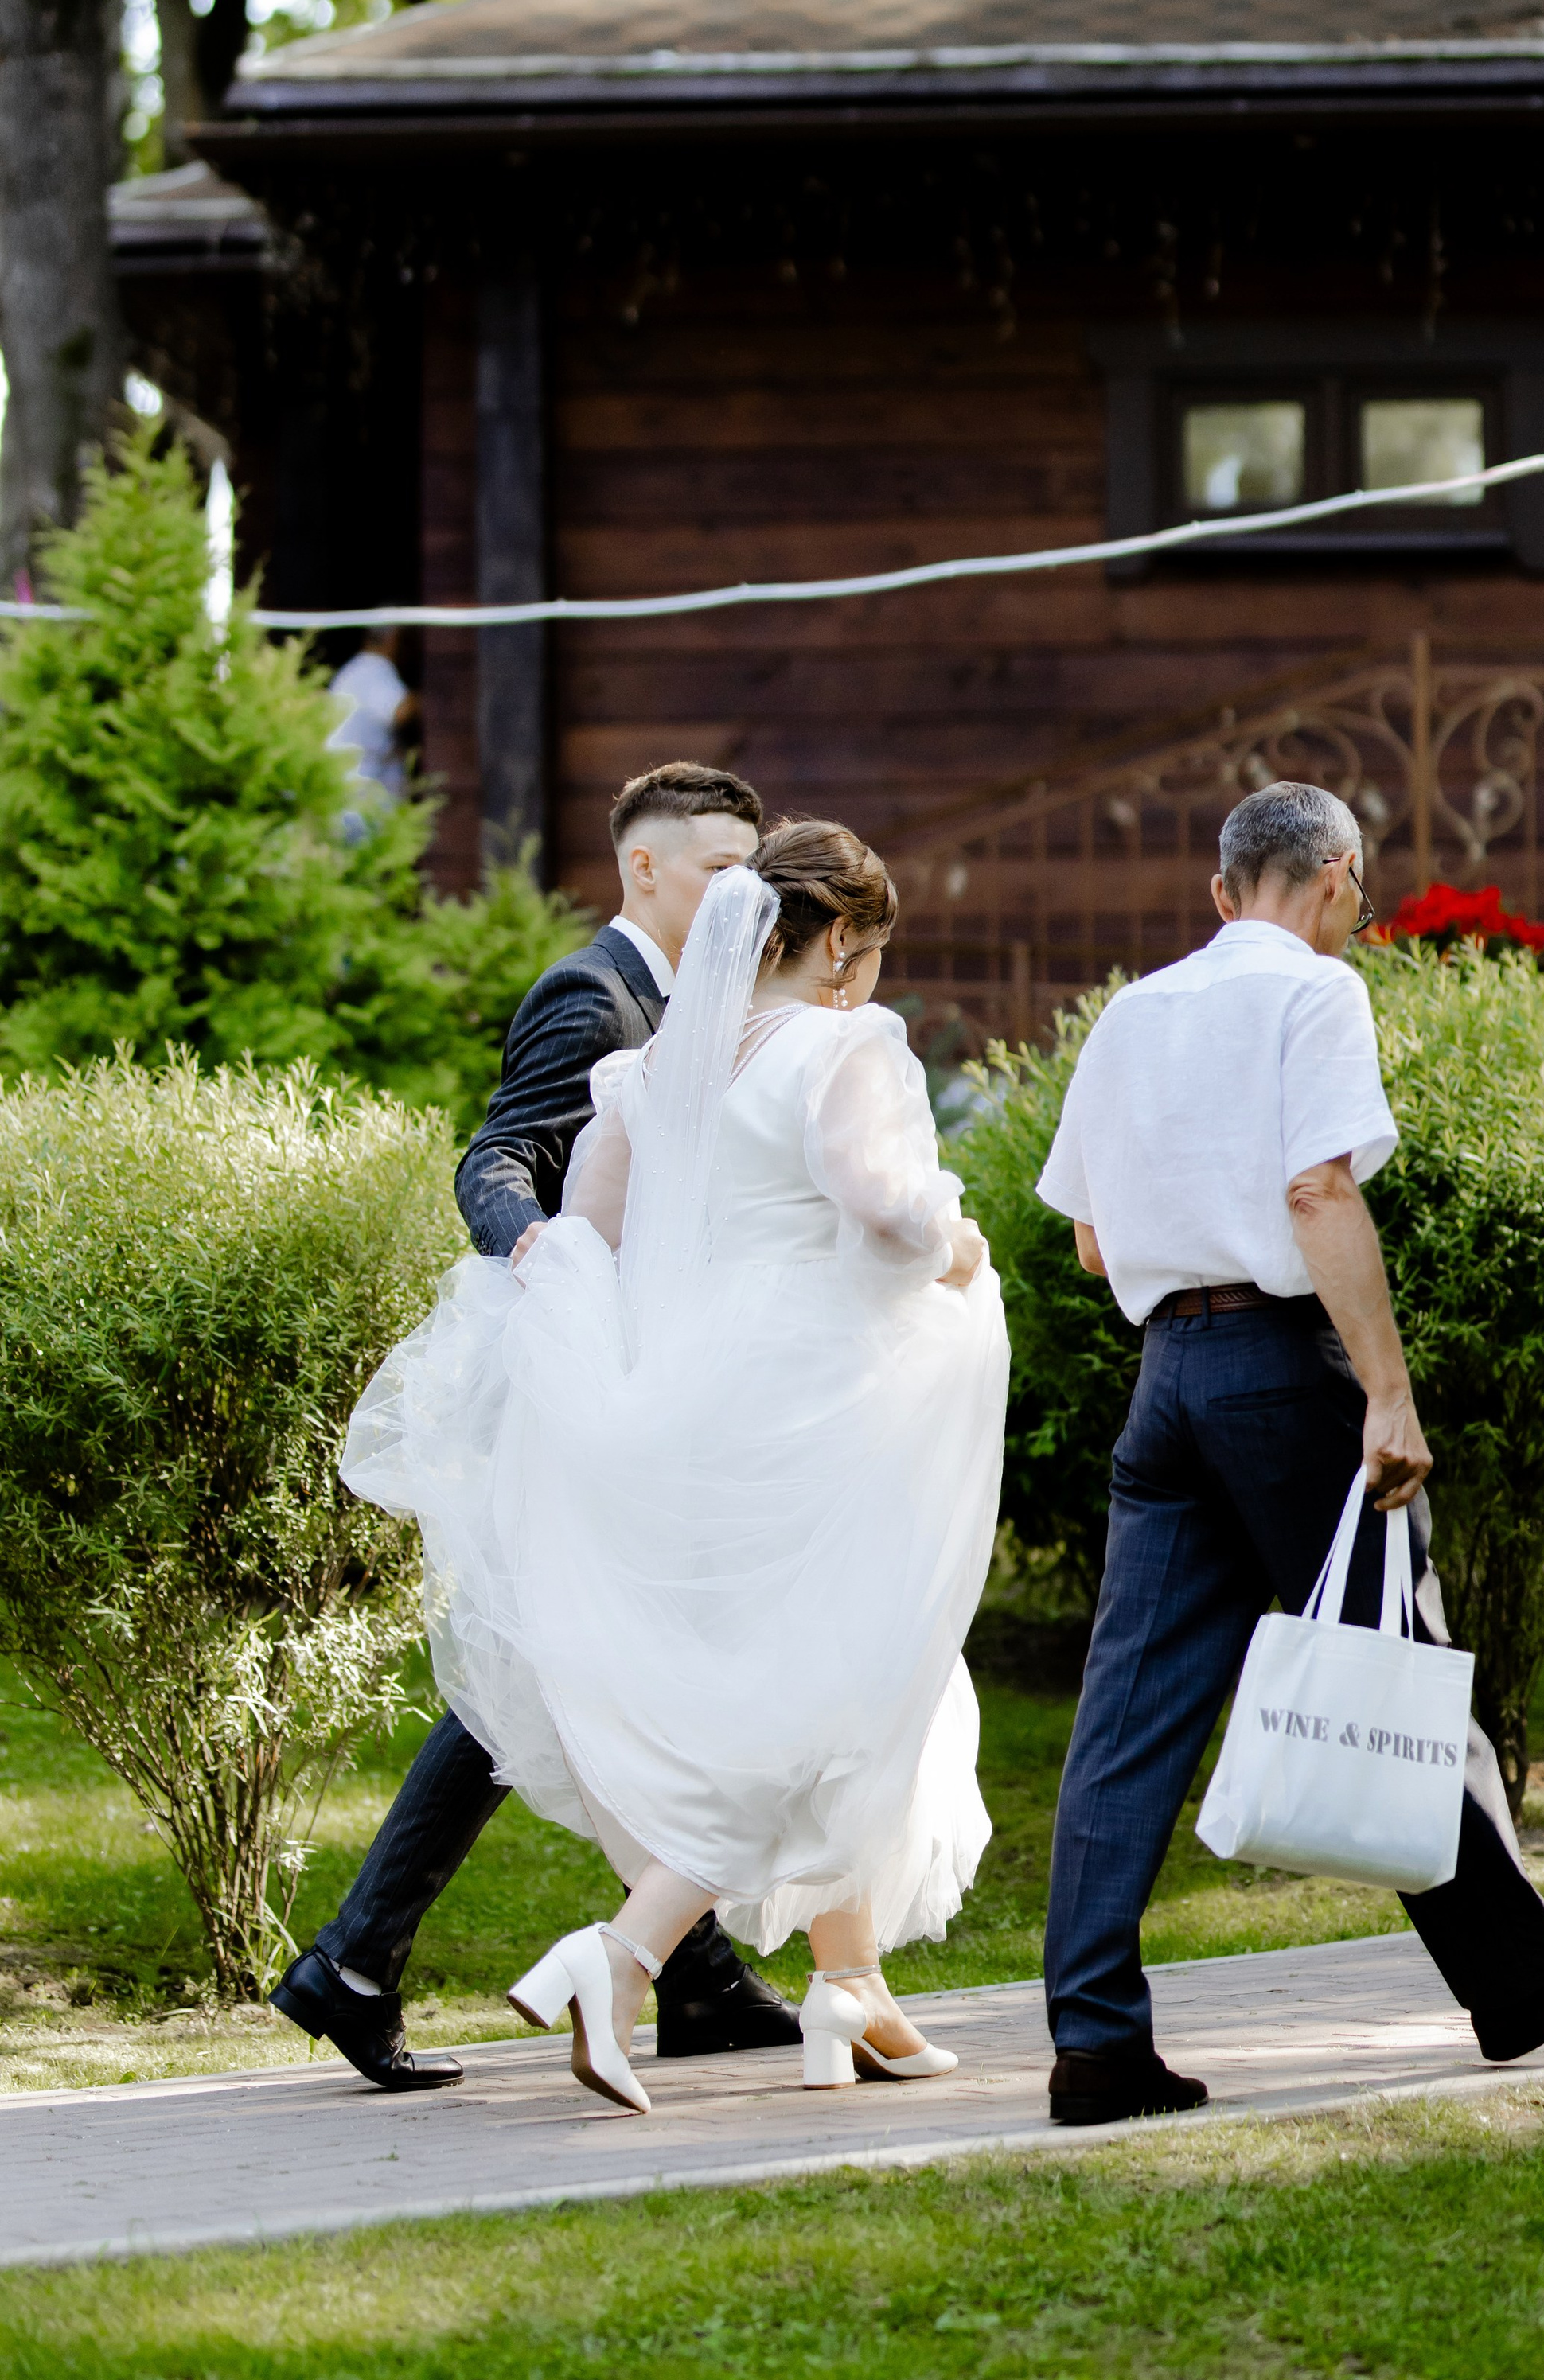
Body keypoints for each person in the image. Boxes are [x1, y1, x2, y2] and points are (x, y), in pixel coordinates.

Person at [341, 821, 1009, 2114]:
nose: (867, 981)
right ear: (835, 949)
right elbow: (881, 1207)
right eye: (867, 954)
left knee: (827, 1677)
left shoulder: (652, 1081)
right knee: (826, 1692)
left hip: (695, 1410)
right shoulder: (844, 1047)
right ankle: (621, 1956)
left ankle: (849, 1987)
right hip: (822, 1407)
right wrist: (959, 1242)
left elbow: (585, 1239)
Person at [1033, 779, 1544, 2127]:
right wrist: (1386, 1388)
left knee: (1125, 1719)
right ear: (1336, 879)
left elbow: (1091, 1243)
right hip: (1280, 1372)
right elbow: (1319, 1189)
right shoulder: (1315, 995)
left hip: (1166, 1383)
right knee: (1404, 1669)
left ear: (1220, 893)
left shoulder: (1133, 1014)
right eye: (1358, 899)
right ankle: (1522, 1980)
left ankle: (1095, 2041)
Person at [272, 761, 801, 2087]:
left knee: (567, 1673)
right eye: (719, 867)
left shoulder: (706, 1006)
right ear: (645, 870)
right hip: (581, 1382)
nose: (743, 890)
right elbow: (496, 1156)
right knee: (548, 1672)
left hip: (652, 1389)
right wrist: (548, 1261)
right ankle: (372, 1964)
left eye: (754, 866)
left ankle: (657, 1975)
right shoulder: (594, 993)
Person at [329, 629, 418, 810]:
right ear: (393, 640)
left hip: (349, 783)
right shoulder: (374, 667)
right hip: (362, 789)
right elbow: (399, 711)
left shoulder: (356, 669)